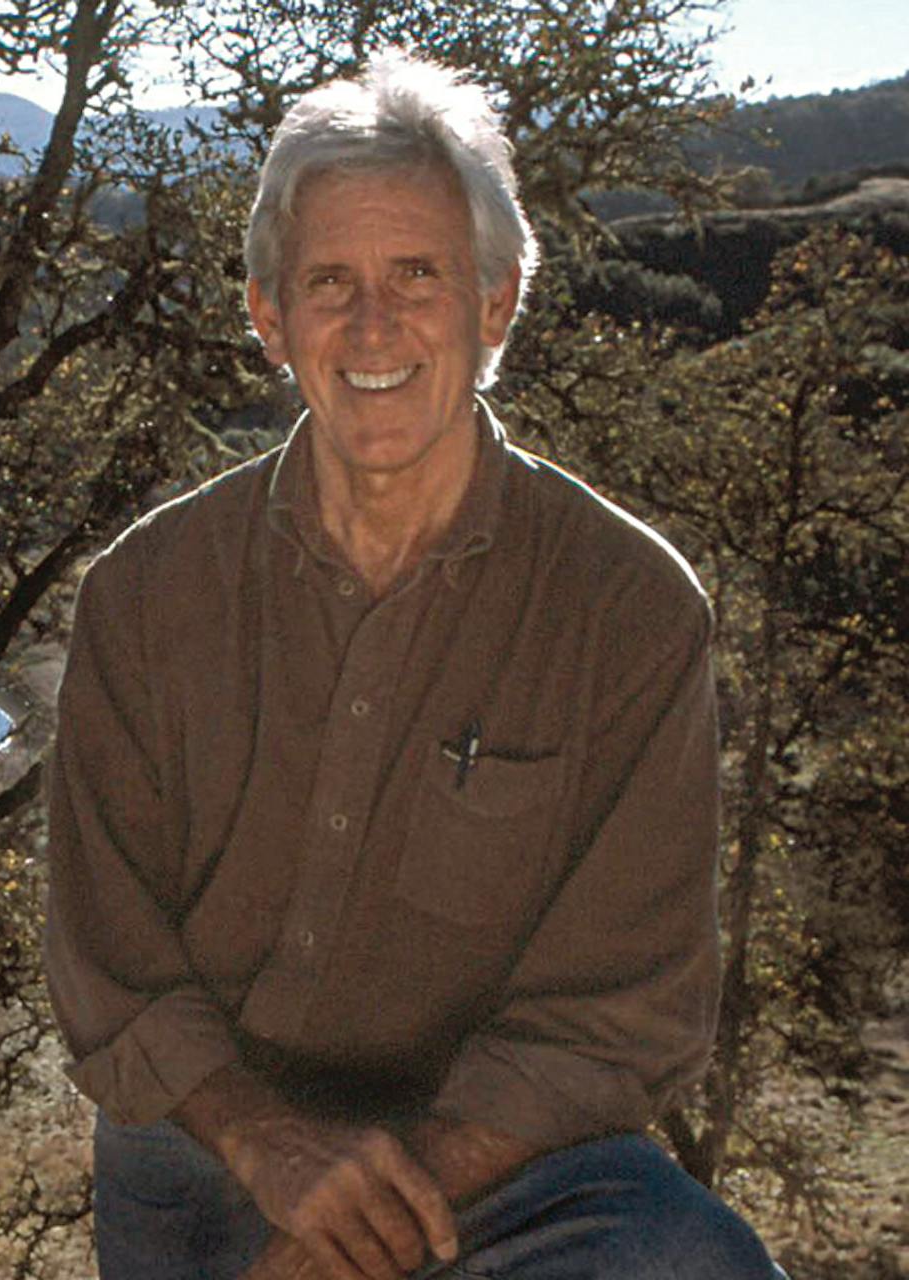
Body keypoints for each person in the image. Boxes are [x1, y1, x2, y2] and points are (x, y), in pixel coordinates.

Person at [42, 52, 788, 1280]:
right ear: (268, 318)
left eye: (420, 276)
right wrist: (273, 1153)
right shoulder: (146, 596)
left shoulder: (633, 612)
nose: (374, 326)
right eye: (330, 282)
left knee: (696, 1264)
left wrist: (364, 1226)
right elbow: (113, 963)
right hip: (209, 1153)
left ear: (497, 304)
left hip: (513, 1173)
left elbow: (621, 1011)